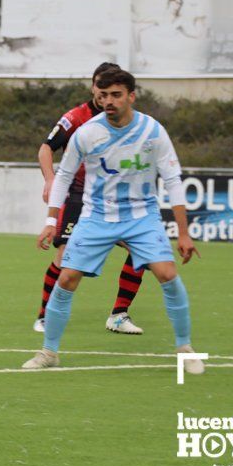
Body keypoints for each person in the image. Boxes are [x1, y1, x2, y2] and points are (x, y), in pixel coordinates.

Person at [23, 68, 204, 374]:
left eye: (116, 95)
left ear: (131, 96)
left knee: (167, 274)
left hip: (141, 215)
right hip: (96, 216)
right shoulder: (87, 132)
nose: (109, 101)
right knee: (66, 277)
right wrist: (51, 220)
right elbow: (64, 175)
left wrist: (183, 233)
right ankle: (49, 352)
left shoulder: (153, 131)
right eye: (104, 95)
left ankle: (185, 348)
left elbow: (173, 180)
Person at [35, 63, 145, 335]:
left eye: (112, 89)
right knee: (66, 258)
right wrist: (50, 179)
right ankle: (45, 316)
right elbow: (46, 149)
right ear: (94, 87)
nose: (104, 93)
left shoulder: (131, 120)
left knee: (140, 250)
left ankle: (119, 314)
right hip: (77, 196)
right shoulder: (76, 117)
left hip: (111, 199)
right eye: (99, 85)